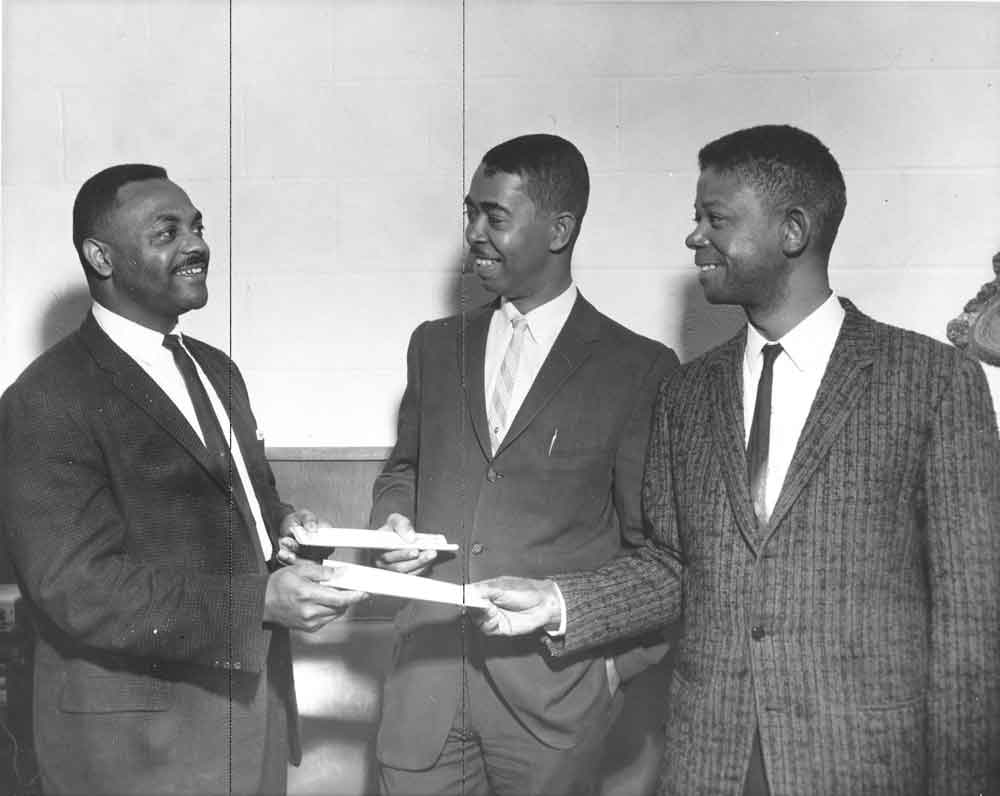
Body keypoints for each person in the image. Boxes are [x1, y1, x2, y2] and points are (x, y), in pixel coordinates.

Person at [471, 125, 1000, 795]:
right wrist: (557, 601)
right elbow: (671, 565)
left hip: (862, 766)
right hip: (708, 763)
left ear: (792, 231)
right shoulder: (686, 392)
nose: (694, 237)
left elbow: (970, 621)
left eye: (715, 219)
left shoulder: (931, 381)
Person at [0, 164, 366, 796]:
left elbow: (250, 499)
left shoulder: (218, 371)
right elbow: (77, 587)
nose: (196, 244)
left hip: (251, 719)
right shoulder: (45, 399)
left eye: (196, 227)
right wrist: (259, 602)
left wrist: (284, 525)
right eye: (166, 232)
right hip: (136, 752)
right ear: (101, 257)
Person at [360, 133, 678, 796]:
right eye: (470, 212)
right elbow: (405, 469)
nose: (473, 233)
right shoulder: (434, 346)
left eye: (495, 217)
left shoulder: (637, 367)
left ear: (559, 230)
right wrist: (391, 519)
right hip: (424, 692)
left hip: (554, 707)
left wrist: (613, 670)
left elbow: (657, 550)